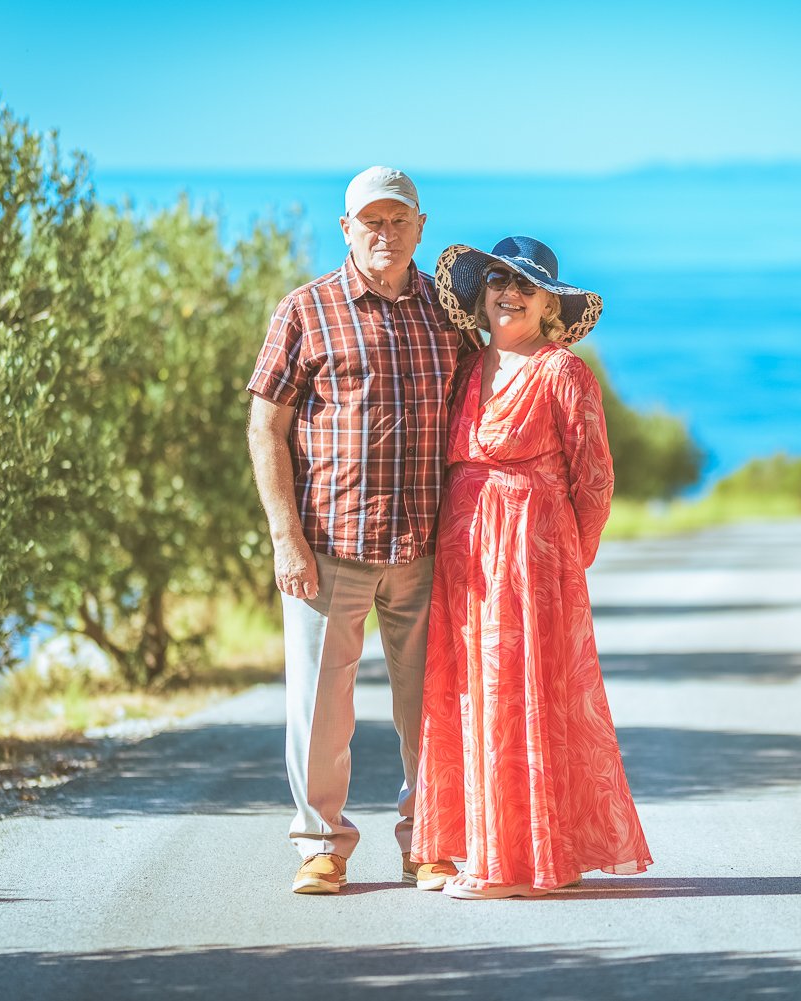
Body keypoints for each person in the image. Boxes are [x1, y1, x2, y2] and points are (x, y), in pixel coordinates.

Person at [245, 166, 476, 895]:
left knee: (432, 704)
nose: (384, 232)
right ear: (346, 229)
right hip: (328, 547)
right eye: (370, 221)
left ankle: (429, 840)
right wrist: (285, 536)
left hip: (426, 549)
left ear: (420, 226)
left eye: (397, 219)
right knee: (319, 709)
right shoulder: (305, 310)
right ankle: (321, 843)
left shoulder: (448, 316)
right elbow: (265, 426)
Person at [410, 236, 653, 899]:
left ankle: (514, 866)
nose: (508, 292)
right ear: (481, 294)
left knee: (520, 699)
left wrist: (560, 562)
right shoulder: (465, 369)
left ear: (549, 303)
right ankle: (488, 849)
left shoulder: (563, 373)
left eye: (524, 284)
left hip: (533, 562)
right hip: (466, 561)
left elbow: (595, 483)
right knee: (468, 697)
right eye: (496, 279)